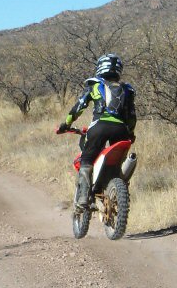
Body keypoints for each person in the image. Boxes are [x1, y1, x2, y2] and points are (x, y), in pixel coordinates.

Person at [56, 53, 136, 210]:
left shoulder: (94, 85)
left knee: (86, 159)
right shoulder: (127, 89)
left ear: (100, 67)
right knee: (117, 163)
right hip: (121, 130)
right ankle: (120, 188)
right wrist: (130, 132)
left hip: (99, 127)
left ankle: (83, 198)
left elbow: (78, 107)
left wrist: (66, 124)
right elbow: (132, 116)